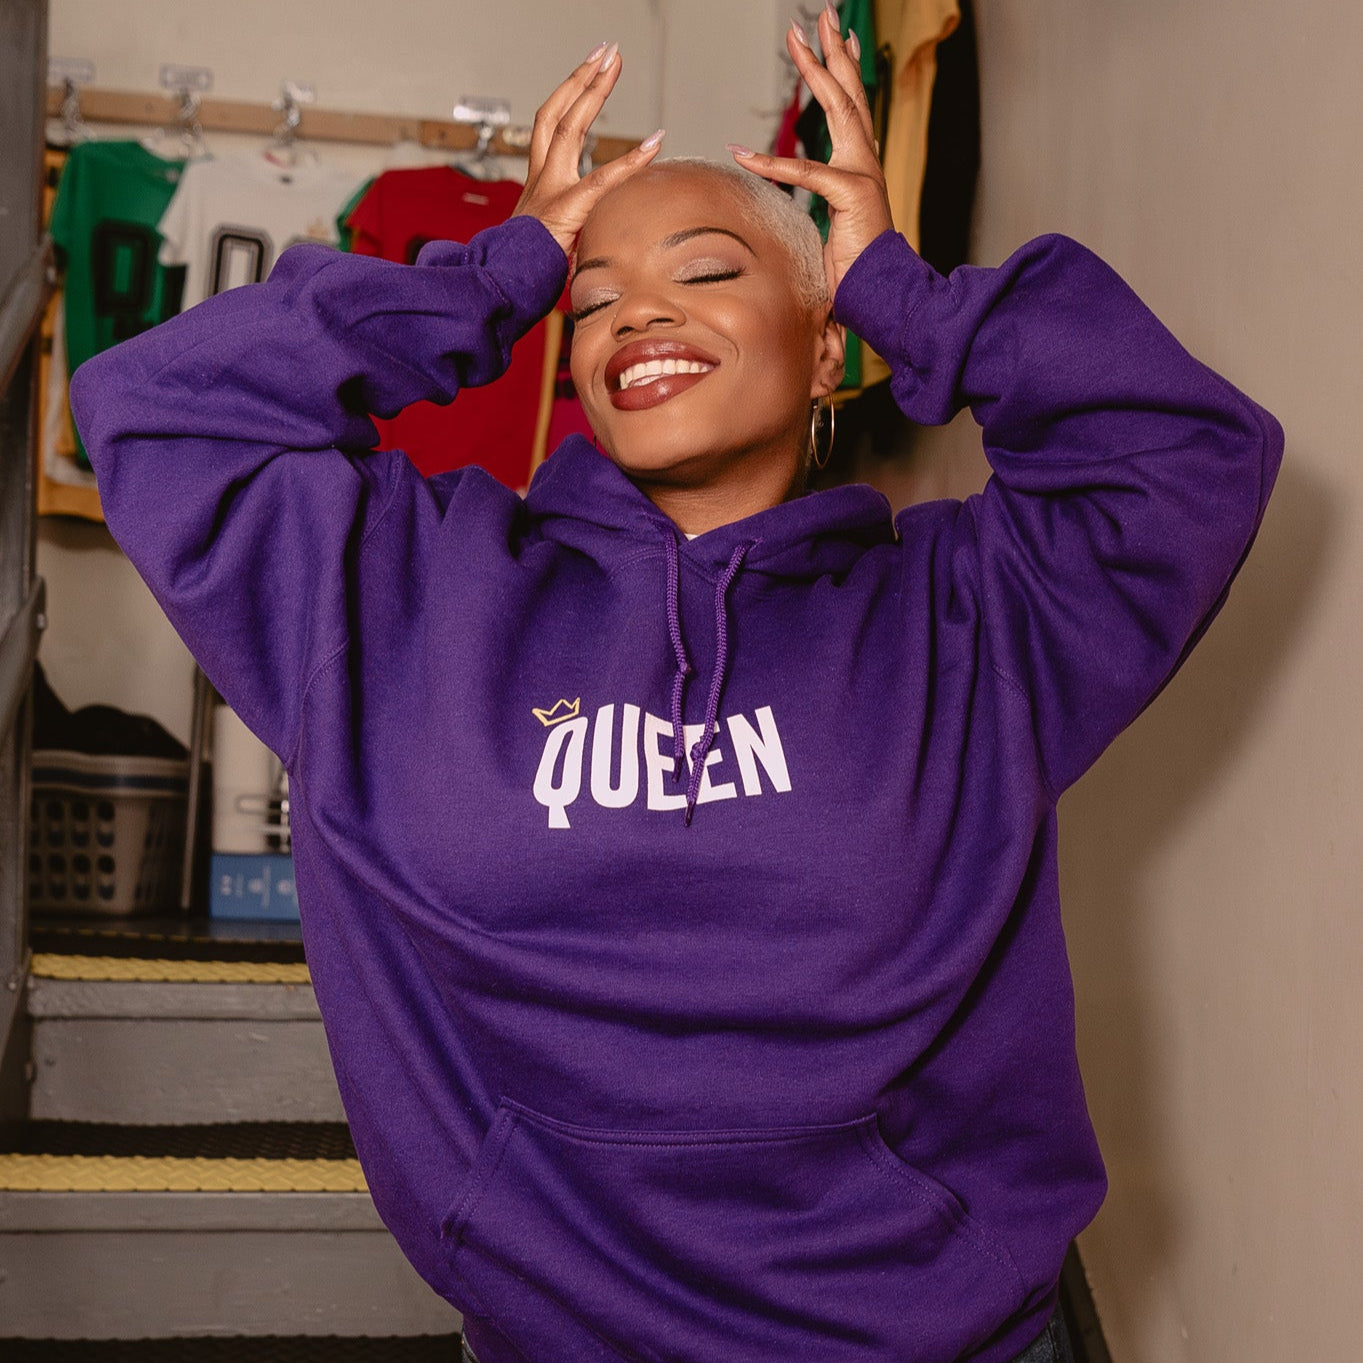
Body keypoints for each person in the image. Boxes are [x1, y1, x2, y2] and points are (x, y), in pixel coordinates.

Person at [70, 11, 1282, 1363]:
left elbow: (1180, 452)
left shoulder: (970, 612)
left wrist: (900, 290)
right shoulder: (409, 588)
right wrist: (494, 277)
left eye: (704, 270)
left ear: (825, 349)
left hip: (933, 1337)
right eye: (591, 301)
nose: (638, 312)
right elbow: (160, 407)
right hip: (558, 1334)